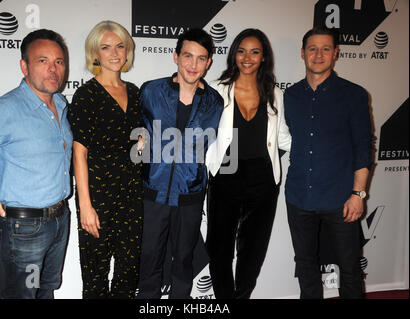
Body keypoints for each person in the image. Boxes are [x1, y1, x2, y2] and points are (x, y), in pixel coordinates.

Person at [0, 29, 71, 299]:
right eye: (42, 61)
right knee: (24, 294)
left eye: (58, 61)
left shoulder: (60, 102)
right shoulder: (5, 109)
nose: (53, 69)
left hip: (60, 220)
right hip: (25, 230)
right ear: (24, 66)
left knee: (46, 291)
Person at [284, 25, 372, 299]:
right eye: (312, 48)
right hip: (299, 197)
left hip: (341, 198)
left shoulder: (354, 94)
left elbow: (363, 147)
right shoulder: (291, 95)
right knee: (305, 266)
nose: (318, 54)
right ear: (302, 53)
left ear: (335, 54)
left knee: (349, 269)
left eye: (325, 49)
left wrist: (358, 194)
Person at [136, 28, 223, 299]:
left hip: (191, 193)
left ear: (209, 62)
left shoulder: (215, 102)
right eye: (187, 56)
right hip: (153, 190)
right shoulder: (150, 91)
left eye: (201, 58)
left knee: (184, 261)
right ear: (175, 56)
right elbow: (135, 131)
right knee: (149, 260)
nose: (193, 64)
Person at [205, 28, 291, 299]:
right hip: (226, 174)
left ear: (263, 57)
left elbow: (284, 138)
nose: (247, 57)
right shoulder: (218, 90)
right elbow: (203, 133)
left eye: (255, 51)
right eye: (241, 51)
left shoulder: (276, 94)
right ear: (233, 55)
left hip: (264, 178)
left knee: (253, 250)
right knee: (219, 248)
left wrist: (318, 151)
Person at [68, 20, 143, 299]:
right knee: (96, 275)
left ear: (127, 51)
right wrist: (85, 205)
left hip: (132, 196)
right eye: (106, 47)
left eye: (120, 46)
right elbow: (79, 152)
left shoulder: (135, 93)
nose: (114, 53)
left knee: (128, 273)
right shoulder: (86, 95)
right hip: (97, 196)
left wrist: (142, 145)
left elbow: (138, 150)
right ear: (95, 54)